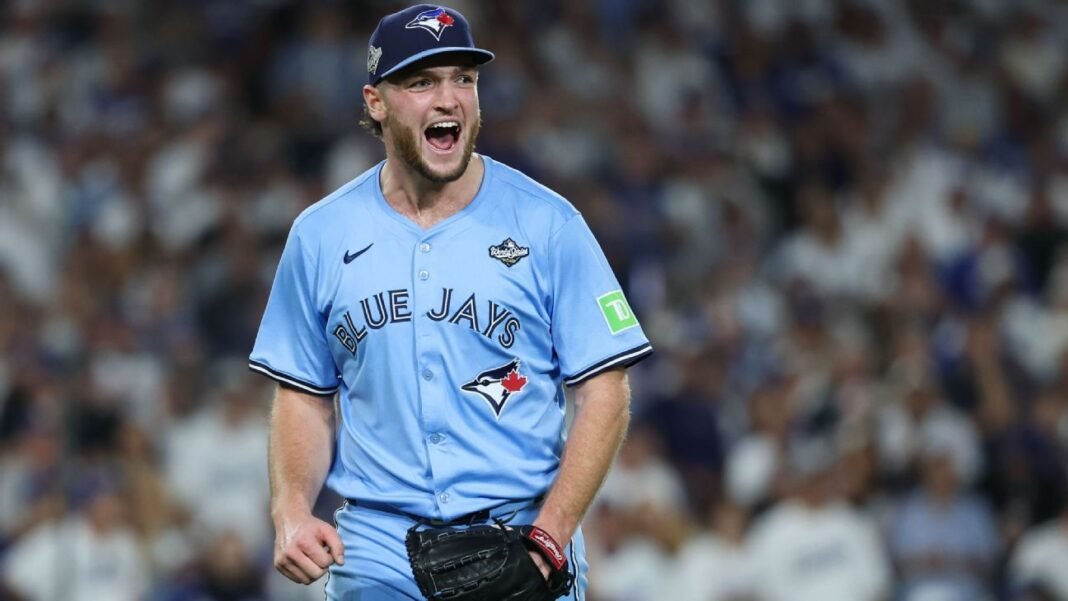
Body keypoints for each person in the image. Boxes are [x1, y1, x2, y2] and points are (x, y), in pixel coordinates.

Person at [247, 4, 653, 600]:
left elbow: (605, 390)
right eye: (421, 82)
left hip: (520, 534)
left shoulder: (548, 223)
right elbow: (305, 396)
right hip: (379, 549)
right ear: (376, 102)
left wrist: (552, 534)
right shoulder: (320, 235)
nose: (448, 99)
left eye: (463, 78)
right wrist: (291, 510)